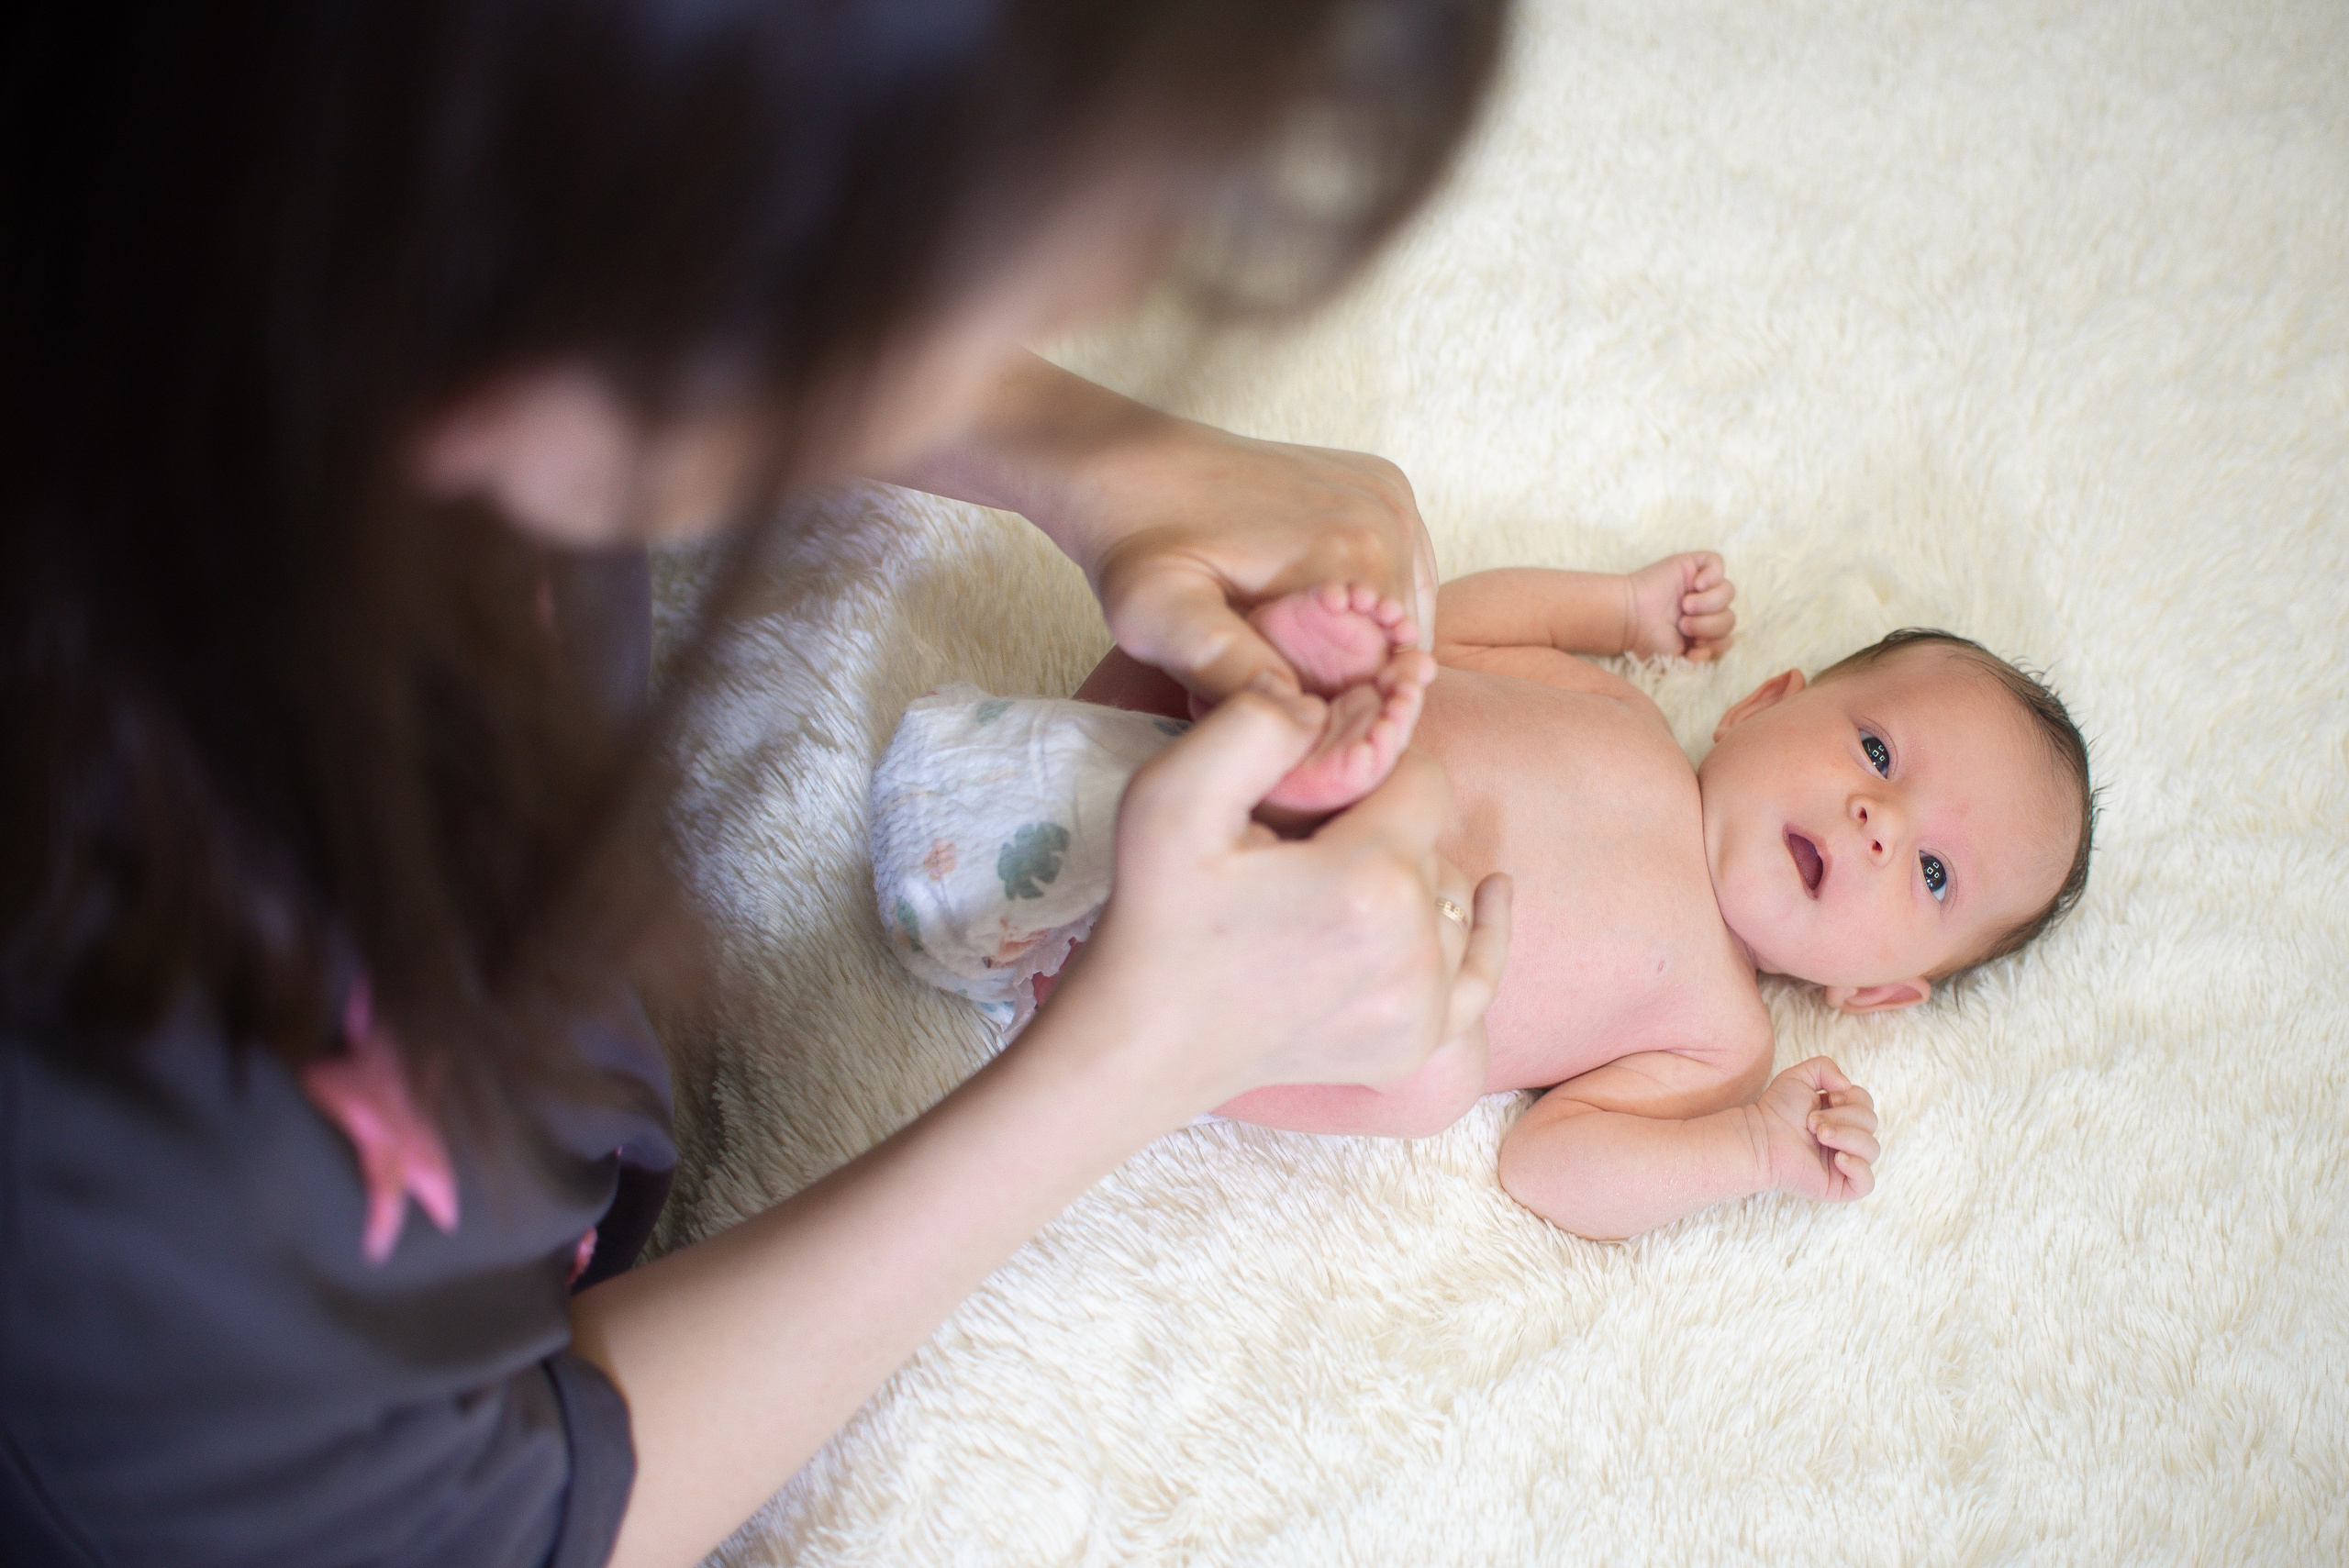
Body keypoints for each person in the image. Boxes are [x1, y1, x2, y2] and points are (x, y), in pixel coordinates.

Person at [0, 4, 1515, 1566]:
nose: (1042, 338)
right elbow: (493, 1519)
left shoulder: (309, 231)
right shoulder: (124, 1137)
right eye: (975, 303)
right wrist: (1130, 1060)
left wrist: (1086, 450)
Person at [874, 557, 2096, 1238]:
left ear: (1875, 990)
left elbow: (1553, 1166)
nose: (1880, 823)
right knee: (1341, 614)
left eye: (1933, 873)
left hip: (1166, 951)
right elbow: (1451, 626)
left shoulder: (1725, 1036)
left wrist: (1756, 1146)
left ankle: (1142, 1033)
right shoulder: (1619, 710)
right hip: (1114, 756)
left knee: (1434, 1075)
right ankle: (1192, 726)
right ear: (1764, 702)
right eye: (1878, 754)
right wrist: (1613, 610)